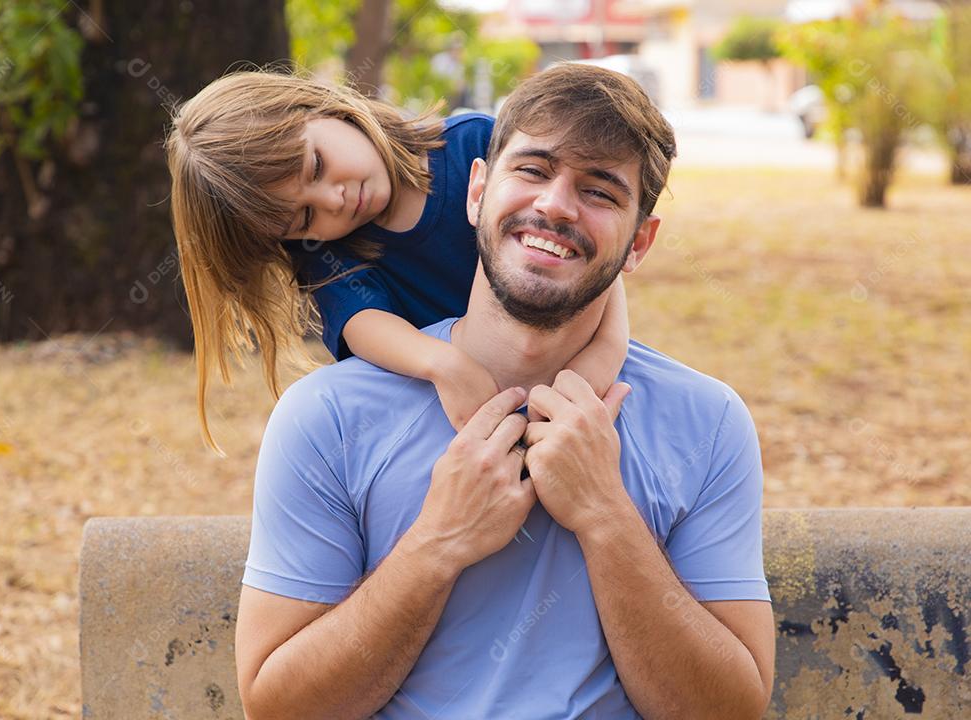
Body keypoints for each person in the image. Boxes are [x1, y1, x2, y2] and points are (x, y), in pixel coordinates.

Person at [233, 63, 775, 719]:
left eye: (600, 191)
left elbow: (733, 711)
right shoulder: (327, 418)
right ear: (476, 192)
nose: (555, 204)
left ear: (639, 244)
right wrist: (440, 541)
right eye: (534, 170)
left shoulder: (707, 423)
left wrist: (605, 514)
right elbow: (279, 709)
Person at [164, 70, 629, 447]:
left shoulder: (475, 144)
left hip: (574, 381)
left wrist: (605, 357)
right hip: (466, 417)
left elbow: (589, 256)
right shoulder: (330, 254)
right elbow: (363, 324)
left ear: (322, 108)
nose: (335, 199)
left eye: (317, 166)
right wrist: (443, 365)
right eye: (304, 216)